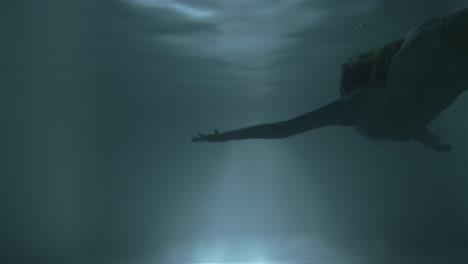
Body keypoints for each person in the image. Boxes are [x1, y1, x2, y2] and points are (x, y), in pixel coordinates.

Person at [192, 8, 468, 152]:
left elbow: (284, 128)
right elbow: (416, 129)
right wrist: (434, 143)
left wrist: (226, 137)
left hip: (422, 57)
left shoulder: (353, 107)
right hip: (445, 71)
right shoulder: (381, 117)